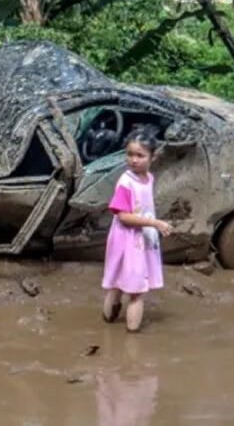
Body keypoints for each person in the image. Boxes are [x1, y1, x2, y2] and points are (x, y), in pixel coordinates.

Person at [101, 125, 172, 332]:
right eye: (130, 154)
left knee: (118, 283)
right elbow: (123, 216)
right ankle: (132, 342)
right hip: (128, 240)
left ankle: (107, 329)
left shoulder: (148, 179)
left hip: (140, 239)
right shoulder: (126, 182)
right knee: (136, 292)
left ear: (153, 157)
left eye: (140, 155)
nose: (134, 159)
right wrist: (155, 223)